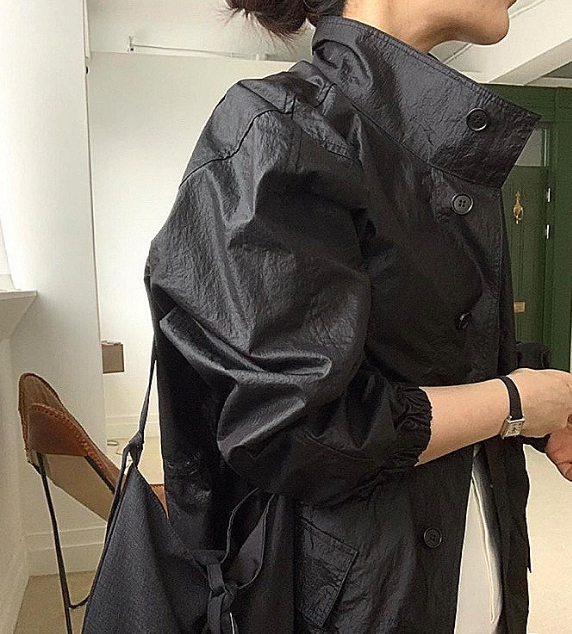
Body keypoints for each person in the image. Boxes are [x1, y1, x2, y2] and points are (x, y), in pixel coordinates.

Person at [145, 1, 572, 632]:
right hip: (356, 604)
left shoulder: (438, 143)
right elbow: (295, 430)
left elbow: (431, 352)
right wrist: (510, 404)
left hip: (467, 575)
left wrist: (541, 403)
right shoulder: (278, 128)